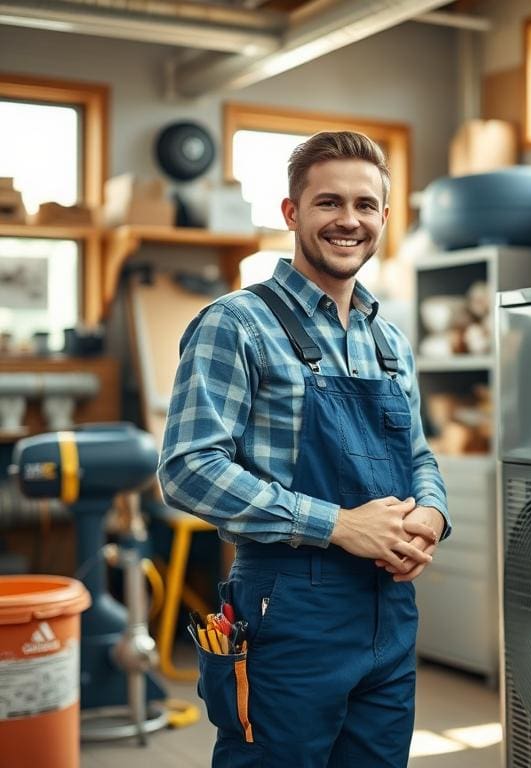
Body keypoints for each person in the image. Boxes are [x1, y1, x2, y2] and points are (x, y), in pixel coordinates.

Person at [158, 130, 449, 768]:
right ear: (292, 213)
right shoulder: (236, 323)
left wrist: (431, 513)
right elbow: (187, 469)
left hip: (388, 613)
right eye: (328, 203)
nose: (349, 220)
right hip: (287, 613)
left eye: (365, 205)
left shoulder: (390, 341)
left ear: (384, 217)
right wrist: (339, 525)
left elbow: (419, 457)